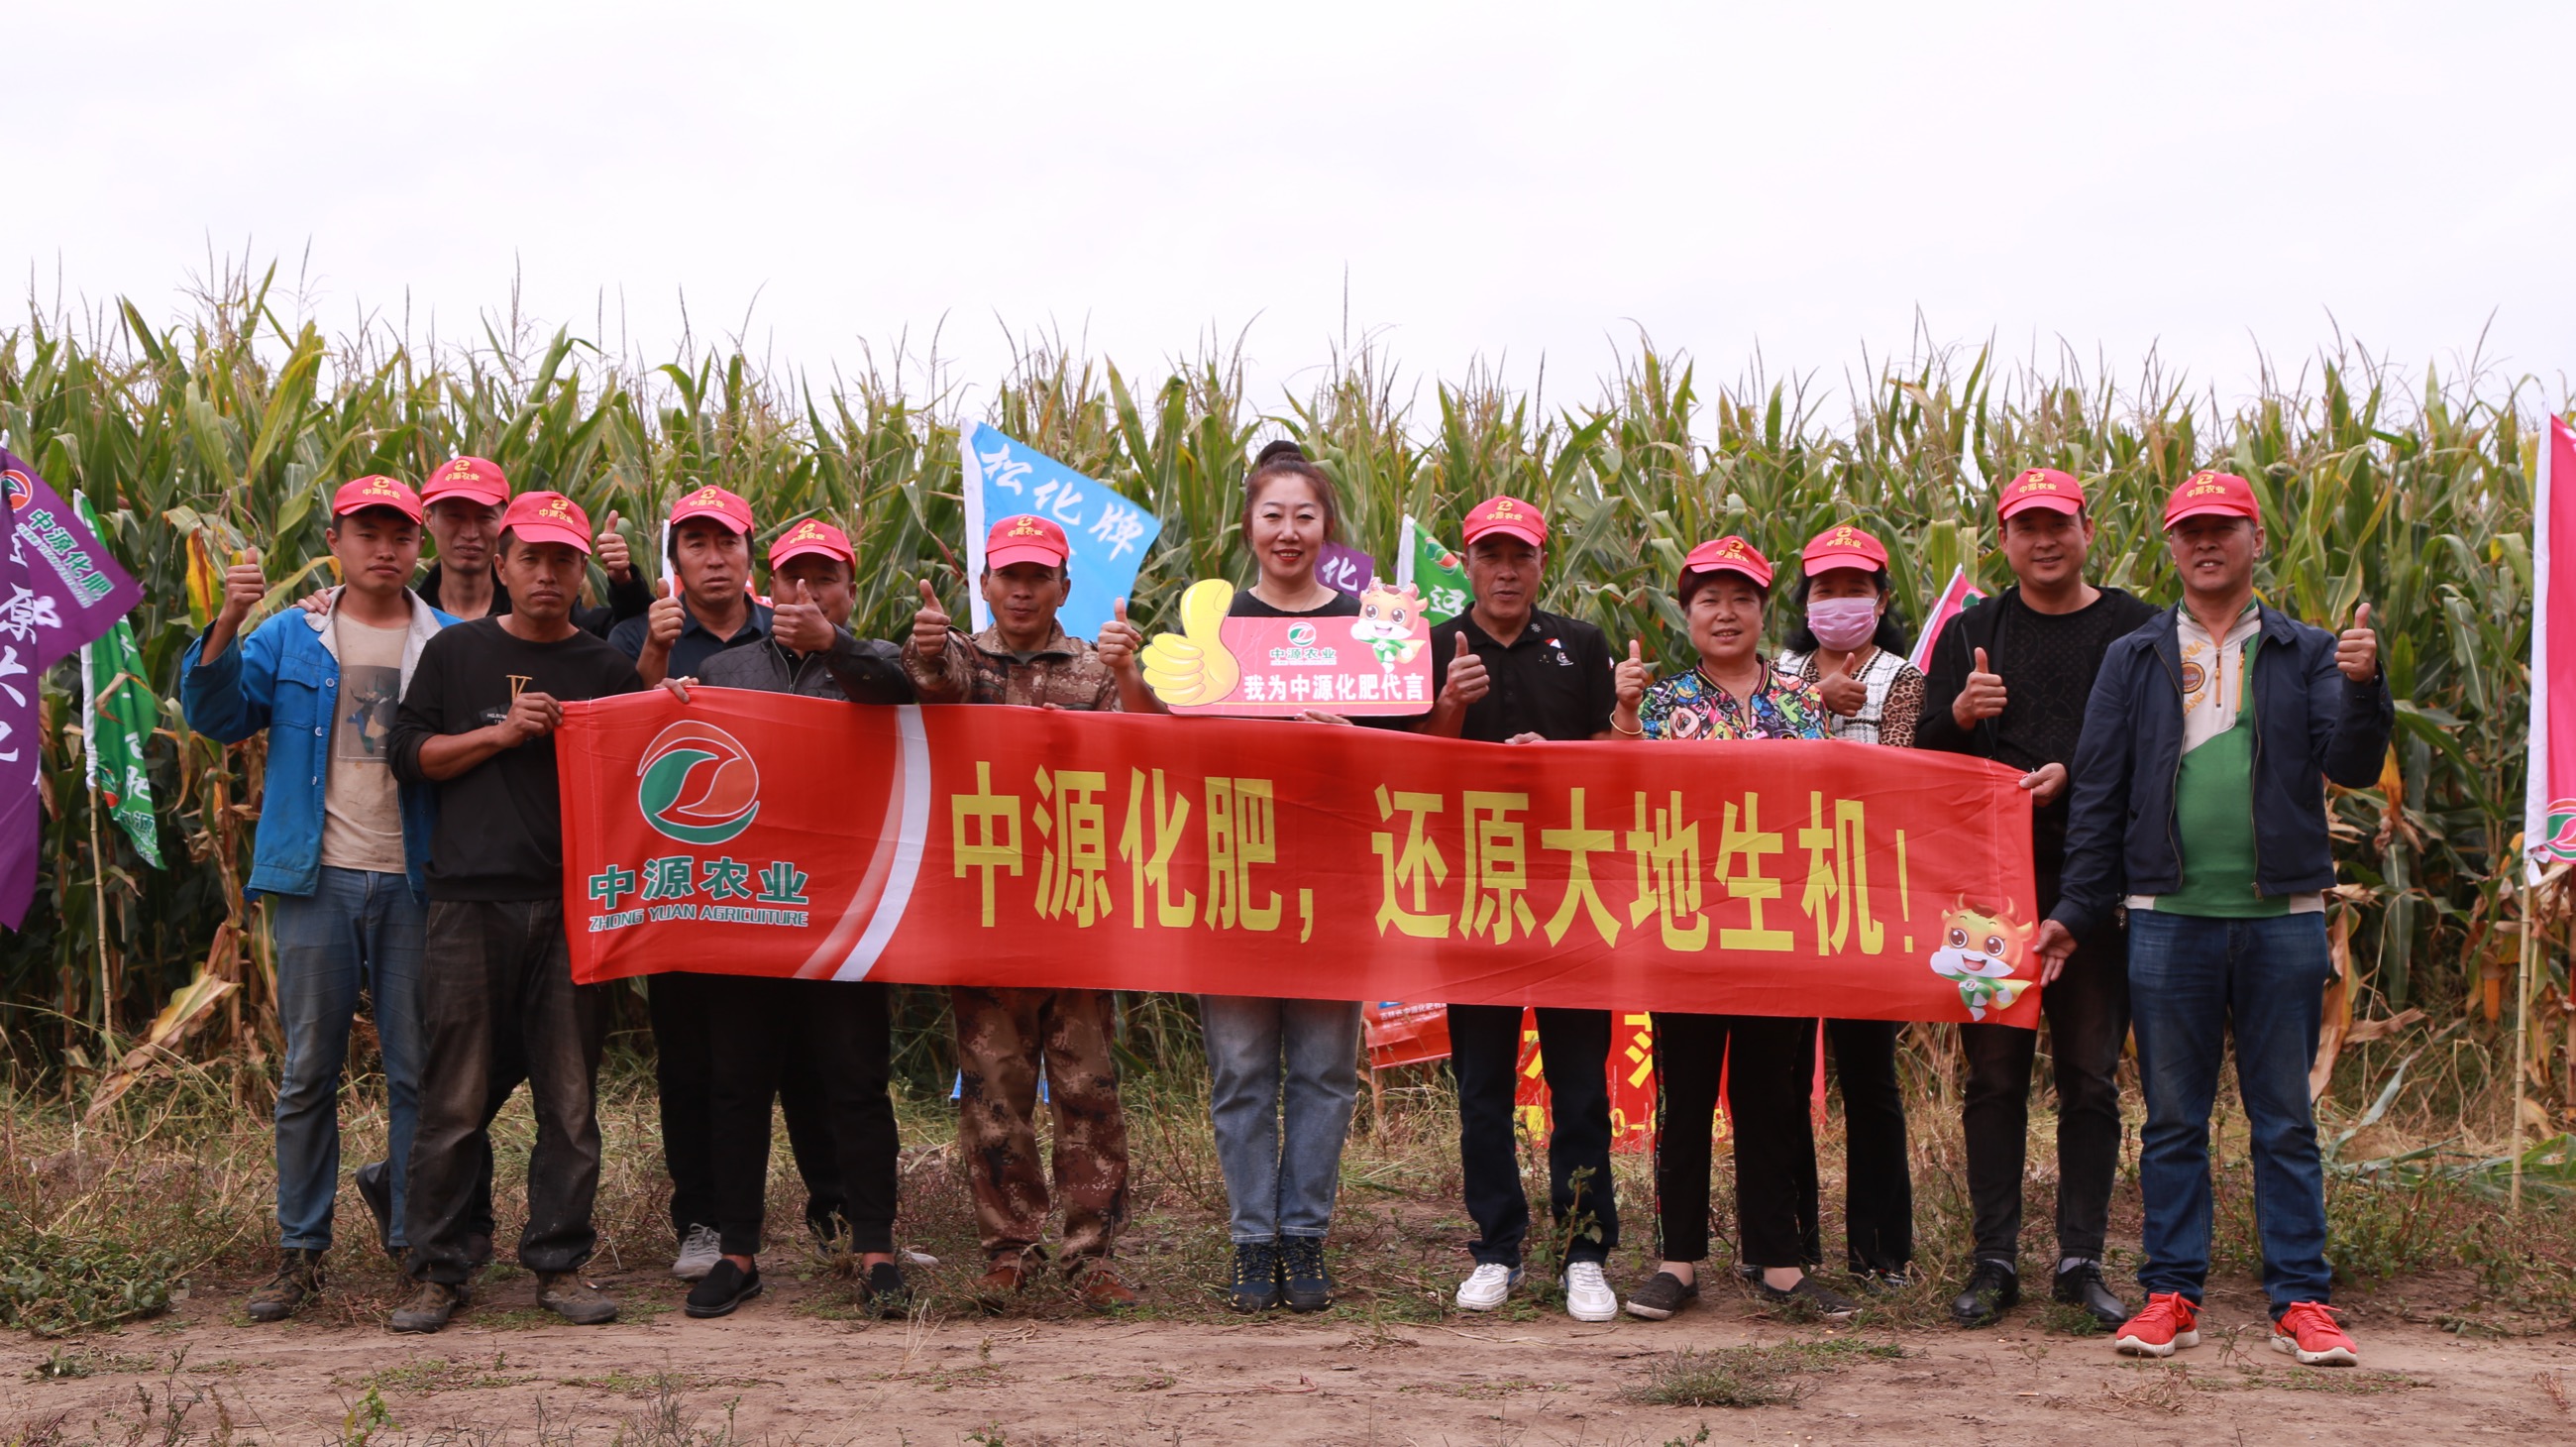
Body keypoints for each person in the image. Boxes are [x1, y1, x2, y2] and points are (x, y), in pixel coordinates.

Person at [2035, 470, 2388, 1367]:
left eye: (2223, 528)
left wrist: (2364, 687)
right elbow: (2102, 790)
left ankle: (2301, 1299)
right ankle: (2172, 1294)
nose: (2206, 543)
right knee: (2174, 1120)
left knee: (2283, 1119)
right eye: (2190, 529)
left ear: (2255, 539)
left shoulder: (2304, 650)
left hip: (2282, 915)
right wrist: (2078, 908)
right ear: (2172, 545)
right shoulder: (2138, 656)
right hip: (2167, 917)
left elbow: (2348, 760)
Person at [1097, 439, 1374, 1313]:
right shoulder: (1212, 625)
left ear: (1326, 526)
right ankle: (1254, 1240)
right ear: (1248, 526)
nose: (1289, 531)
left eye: (1305, 515)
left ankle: (1306, 1235)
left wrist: (1349, 737)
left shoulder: (1371, 626)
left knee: (1327, 1071)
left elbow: (1412, 756)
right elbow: (1166, 741)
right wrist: (1126, 679)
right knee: (1242, 1070)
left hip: (1333, 877)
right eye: (1272, 515)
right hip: (1236, 874)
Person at [179, 477, 453, 1320]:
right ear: (335, 539)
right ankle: (301, 1251)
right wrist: (227, 619)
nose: (385, 548)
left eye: (401, 535)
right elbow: (214, 714)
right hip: (314, 876)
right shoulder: (291, 638)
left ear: (420, 547)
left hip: (415, 880)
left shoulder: (443, 643)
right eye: (366, 532)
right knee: (308, 1073)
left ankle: (413, 1242)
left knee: (416, 1072)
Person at [385, 491, 644, 1333]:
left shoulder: (605, 668)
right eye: (529, 558)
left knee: (569, 1105)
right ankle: (438, 1270)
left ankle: (560, 1264)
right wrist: (498, 735)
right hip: (467, 901)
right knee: (453, 1097)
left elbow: (637, 780)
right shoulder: (456, 655)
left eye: (563, 560)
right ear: (500, 566)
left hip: (574, 907)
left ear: (579, 574)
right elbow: (409, 757)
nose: (547, 574)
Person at [655, 519, 921, 1319]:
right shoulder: (729, 667)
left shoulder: (870, 663)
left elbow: (903, 692)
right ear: (768, 589)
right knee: (736, 1085)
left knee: (855, 1083)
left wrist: (836, 642)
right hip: (752, 908)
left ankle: (873, 1244)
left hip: (849, 910)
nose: (807, 593)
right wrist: (669, 706)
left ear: (849, 586)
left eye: (825, 578)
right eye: (793, 579)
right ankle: (738, 1251)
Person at [1916, 469, 2156, 1331]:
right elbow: (1922, 752)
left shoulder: (2135, 628)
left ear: (2087, 529)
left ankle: (2081, 1258)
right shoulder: (1974, 631)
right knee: (1994, 1078)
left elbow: (2158, 747)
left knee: (2090, 1077)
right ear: (2005, 539)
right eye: (2027, 527)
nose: (2044, 541)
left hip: (2095, 887)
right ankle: (1993, 1259)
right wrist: (1962, 714)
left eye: (2059, 524)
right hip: (1986, 895)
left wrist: (2077, 778)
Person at [1607, 535, 1862, 1324]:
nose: (1727, 613)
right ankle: (1676, 1260)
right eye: (1709, 600)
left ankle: (1779, 1262)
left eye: (1743, 599)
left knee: (1770, 1097)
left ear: (1762, 612)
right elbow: (1615, 790)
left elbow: (1832, 803)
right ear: (1686, 615)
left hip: (1779, 928)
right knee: (1684, 1097)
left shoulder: (1800, 700)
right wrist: (1619, 714)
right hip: (1685, 925)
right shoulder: (1656, 701)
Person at [902, 513, 1144, 1311]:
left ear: (1065, 588)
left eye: (1039, 576)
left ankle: (1091, 1254)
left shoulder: (1096, 669)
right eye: (1010, 575)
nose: (1023, 589)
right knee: (995, 1088)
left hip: (1078, 905)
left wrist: (1135, 677)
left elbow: (1143, 747)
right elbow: (929, 689)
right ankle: (1010, 1250)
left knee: (1088, 1088)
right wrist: (928, 650)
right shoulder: (961, 660)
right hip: (984, 910)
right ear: (986, 584)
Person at [1411, 494, 1623, 1323]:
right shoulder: (1430, 648)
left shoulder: (1581, 644)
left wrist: (1561, 758)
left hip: (1572, 896)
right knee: (1484, 1085)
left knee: (1578, 1086)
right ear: (1467, 564)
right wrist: (1452, 705)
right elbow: (1401, 770)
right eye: (1490, 555)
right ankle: (1496, 1245)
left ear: (1542, 563)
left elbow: (1617, 759)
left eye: (1521, 556)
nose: (1506, 570)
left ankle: (1585, 1250)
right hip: (1472, 896)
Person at [605, 485, 823, 1282]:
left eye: (725, 542)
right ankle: (702, 1219)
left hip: (787, 884)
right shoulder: (640, 631)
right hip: (685, 889)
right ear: (675, 561)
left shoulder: (791, 629)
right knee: (691, 1066)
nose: (713, 557)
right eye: (694, 544)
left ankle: (834, 1214)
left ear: (749, 552)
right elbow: (605, 748)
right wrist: (650, 664)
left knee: (807, 1061)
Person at [1774, 521, 1922, 1289]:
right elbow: (1751, 757)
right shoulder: (1778, 672)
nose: (1838, 601)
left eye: (1854, 588)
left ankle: (1881, 1252)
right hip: (1785, 896)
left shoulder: (1905, 677)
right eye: (1825, 588)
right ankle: (1790, 1245)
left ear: (1881, 597)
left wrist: (1816, 718)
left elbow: (1897, 772)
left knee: (1870, 1077)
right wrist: (1808, 701)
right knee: (1787, 1074)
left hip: (1868, 896)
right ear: (1805, 599)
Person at [413, 455, 646, 638]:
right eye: (455, 516)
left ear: (504, 520)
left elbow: (630, 635)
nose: (470, 533)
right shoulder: (410, 611)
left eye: (485, 518)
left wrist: (624, 582)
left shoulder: (539, 601)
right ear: (429, 520)